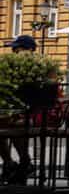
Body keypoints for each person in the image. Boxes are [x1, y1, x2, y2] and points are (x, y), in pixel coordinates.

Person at [1, 35, 38, 185]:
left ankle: (23, 162)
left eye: (17, 49)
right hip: (20, 112)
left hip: (37, 113)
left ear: (29, 50)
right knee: (5, 124)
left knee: (16, 124)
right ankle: (11, 163)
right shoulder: (13, 69)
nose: (14, 52)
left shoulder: (36, 68)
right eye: (13, 49)